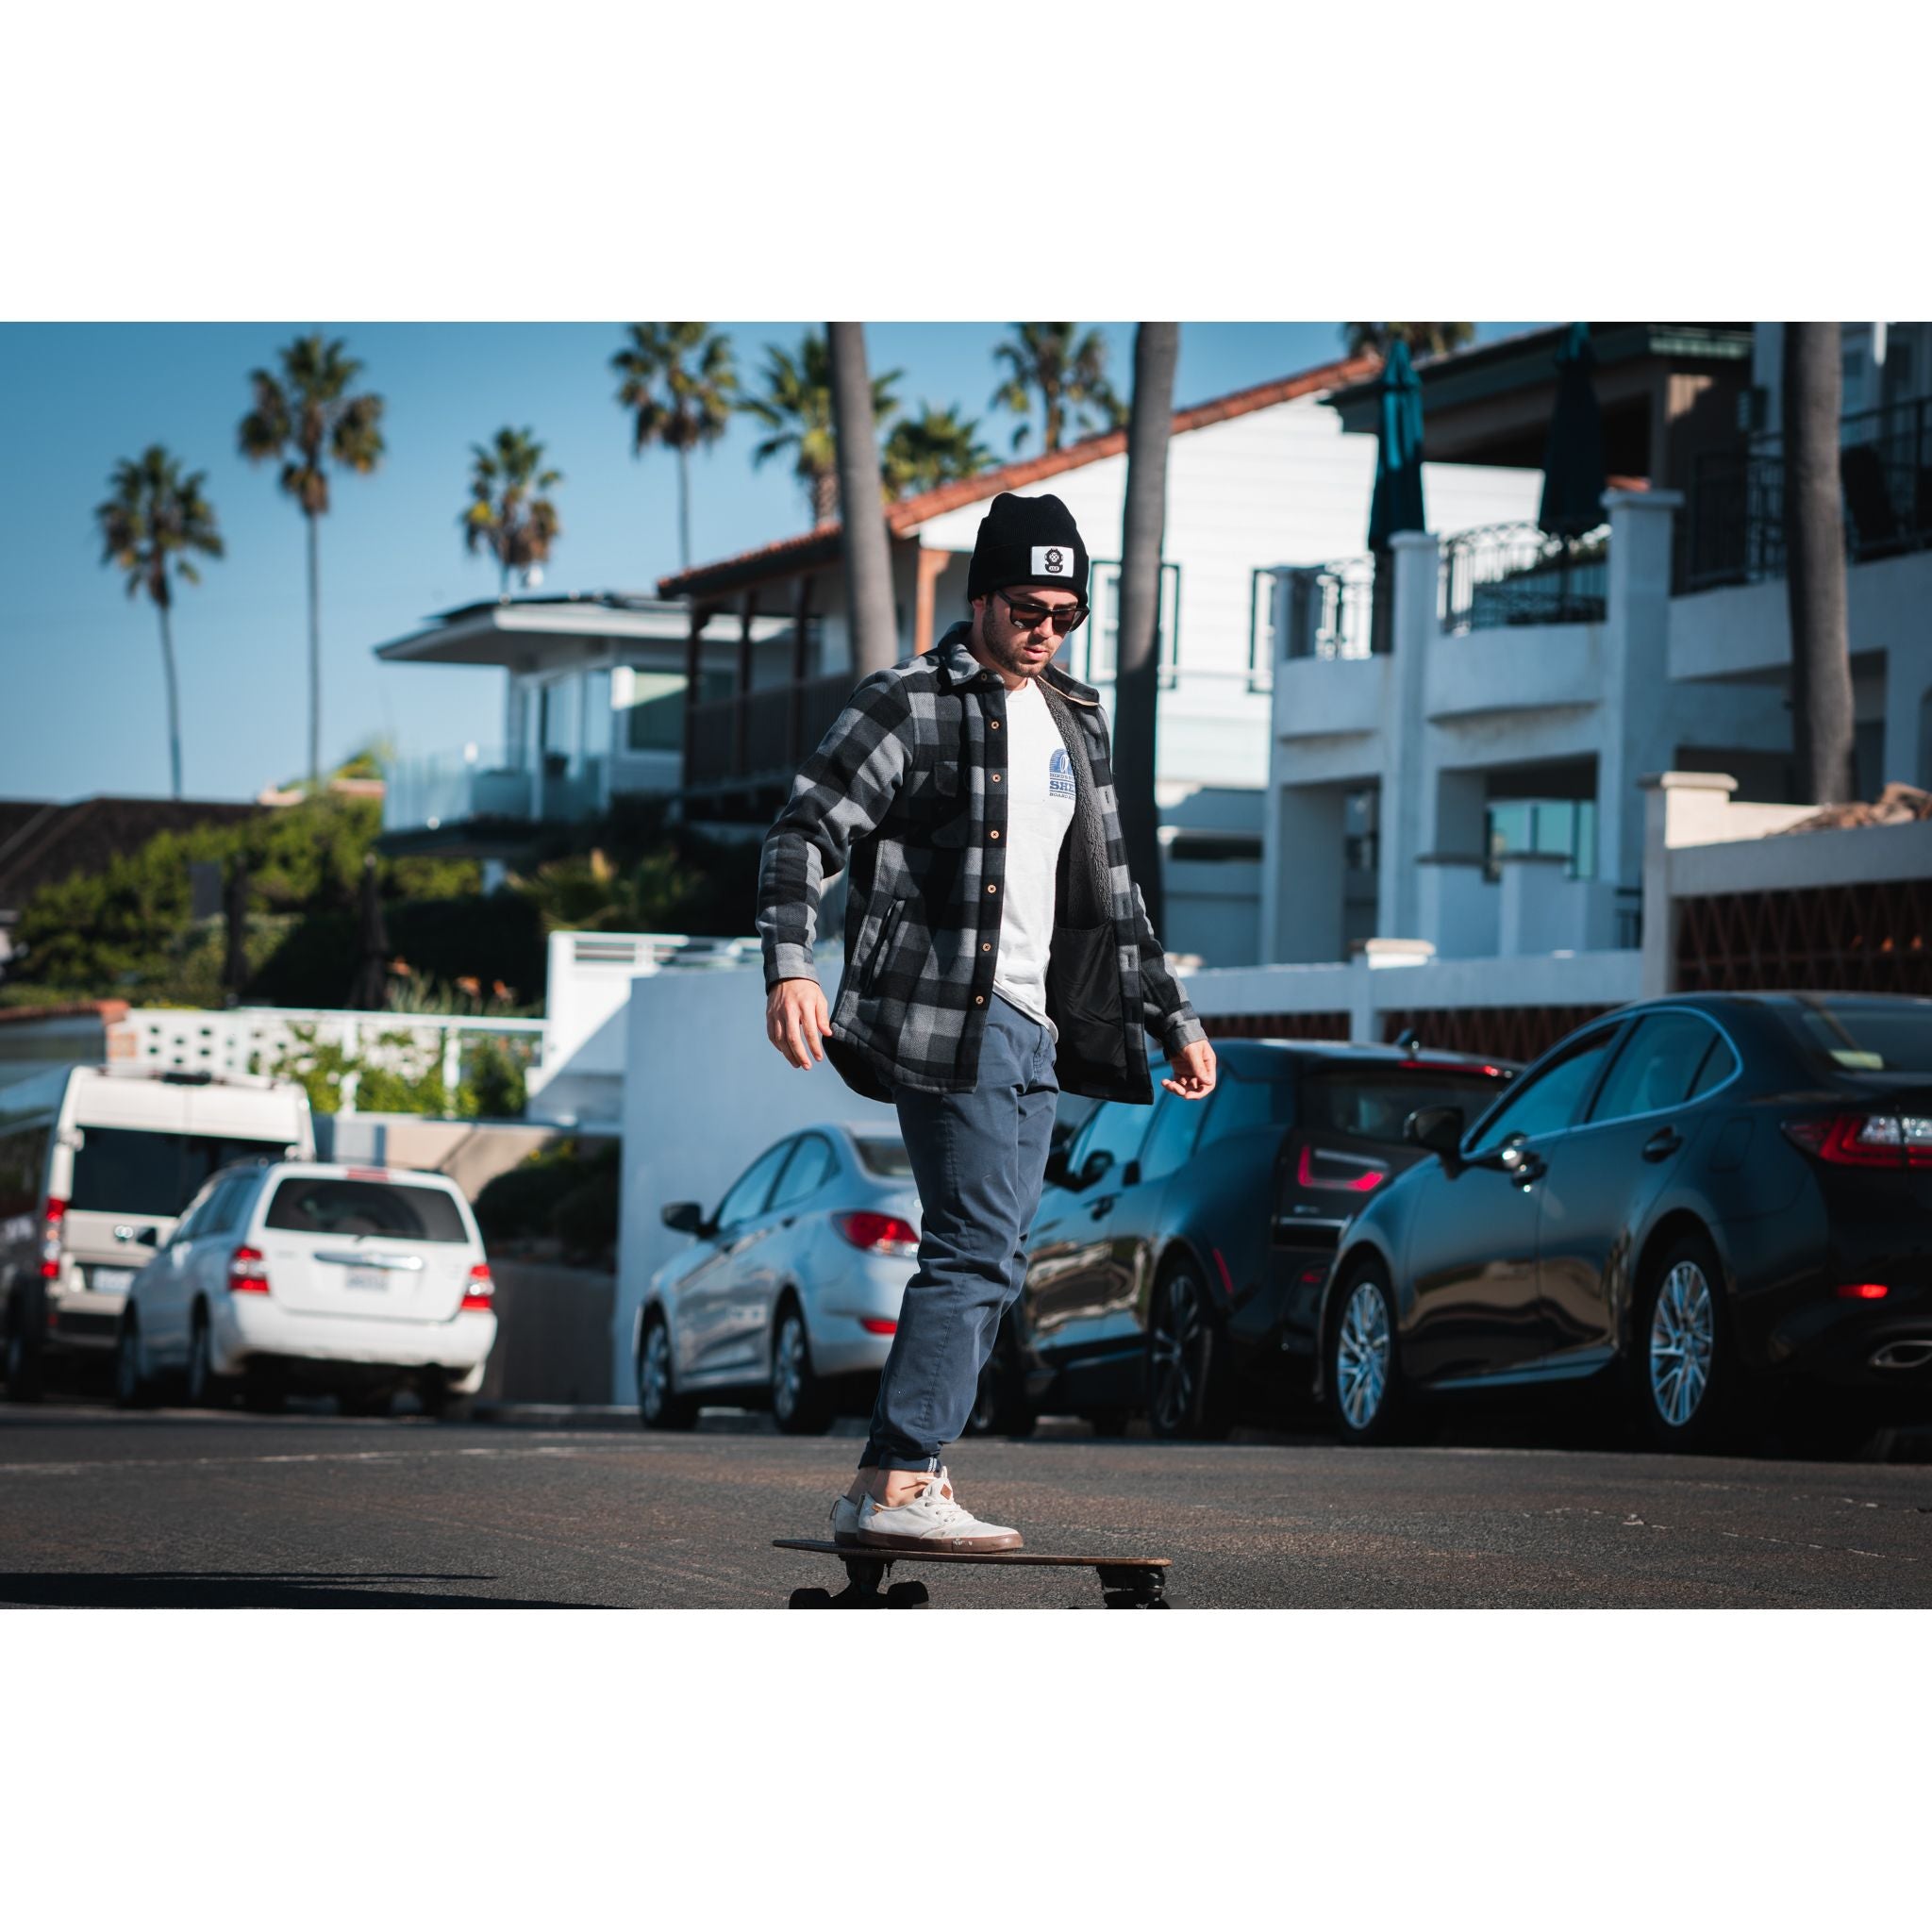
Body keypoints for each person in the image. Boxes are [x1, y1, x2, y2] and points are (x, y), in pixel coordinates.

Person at [757, 491, 1216, 1552]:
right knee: (970, 1247)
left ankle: (894, 1472)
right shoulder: (908, 701)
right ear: (979, 596)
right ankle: (902, 1479)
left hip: (1037, 1025)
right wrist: (790, 964)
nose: (1043, 627)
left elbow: (1112, 889)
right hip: (941, 1015)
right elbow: (802, 831)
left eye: (1064, 611)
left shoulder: (1073, 717)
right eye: (1024, 605)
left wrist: (1172, 1014)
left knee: (995, 1253)